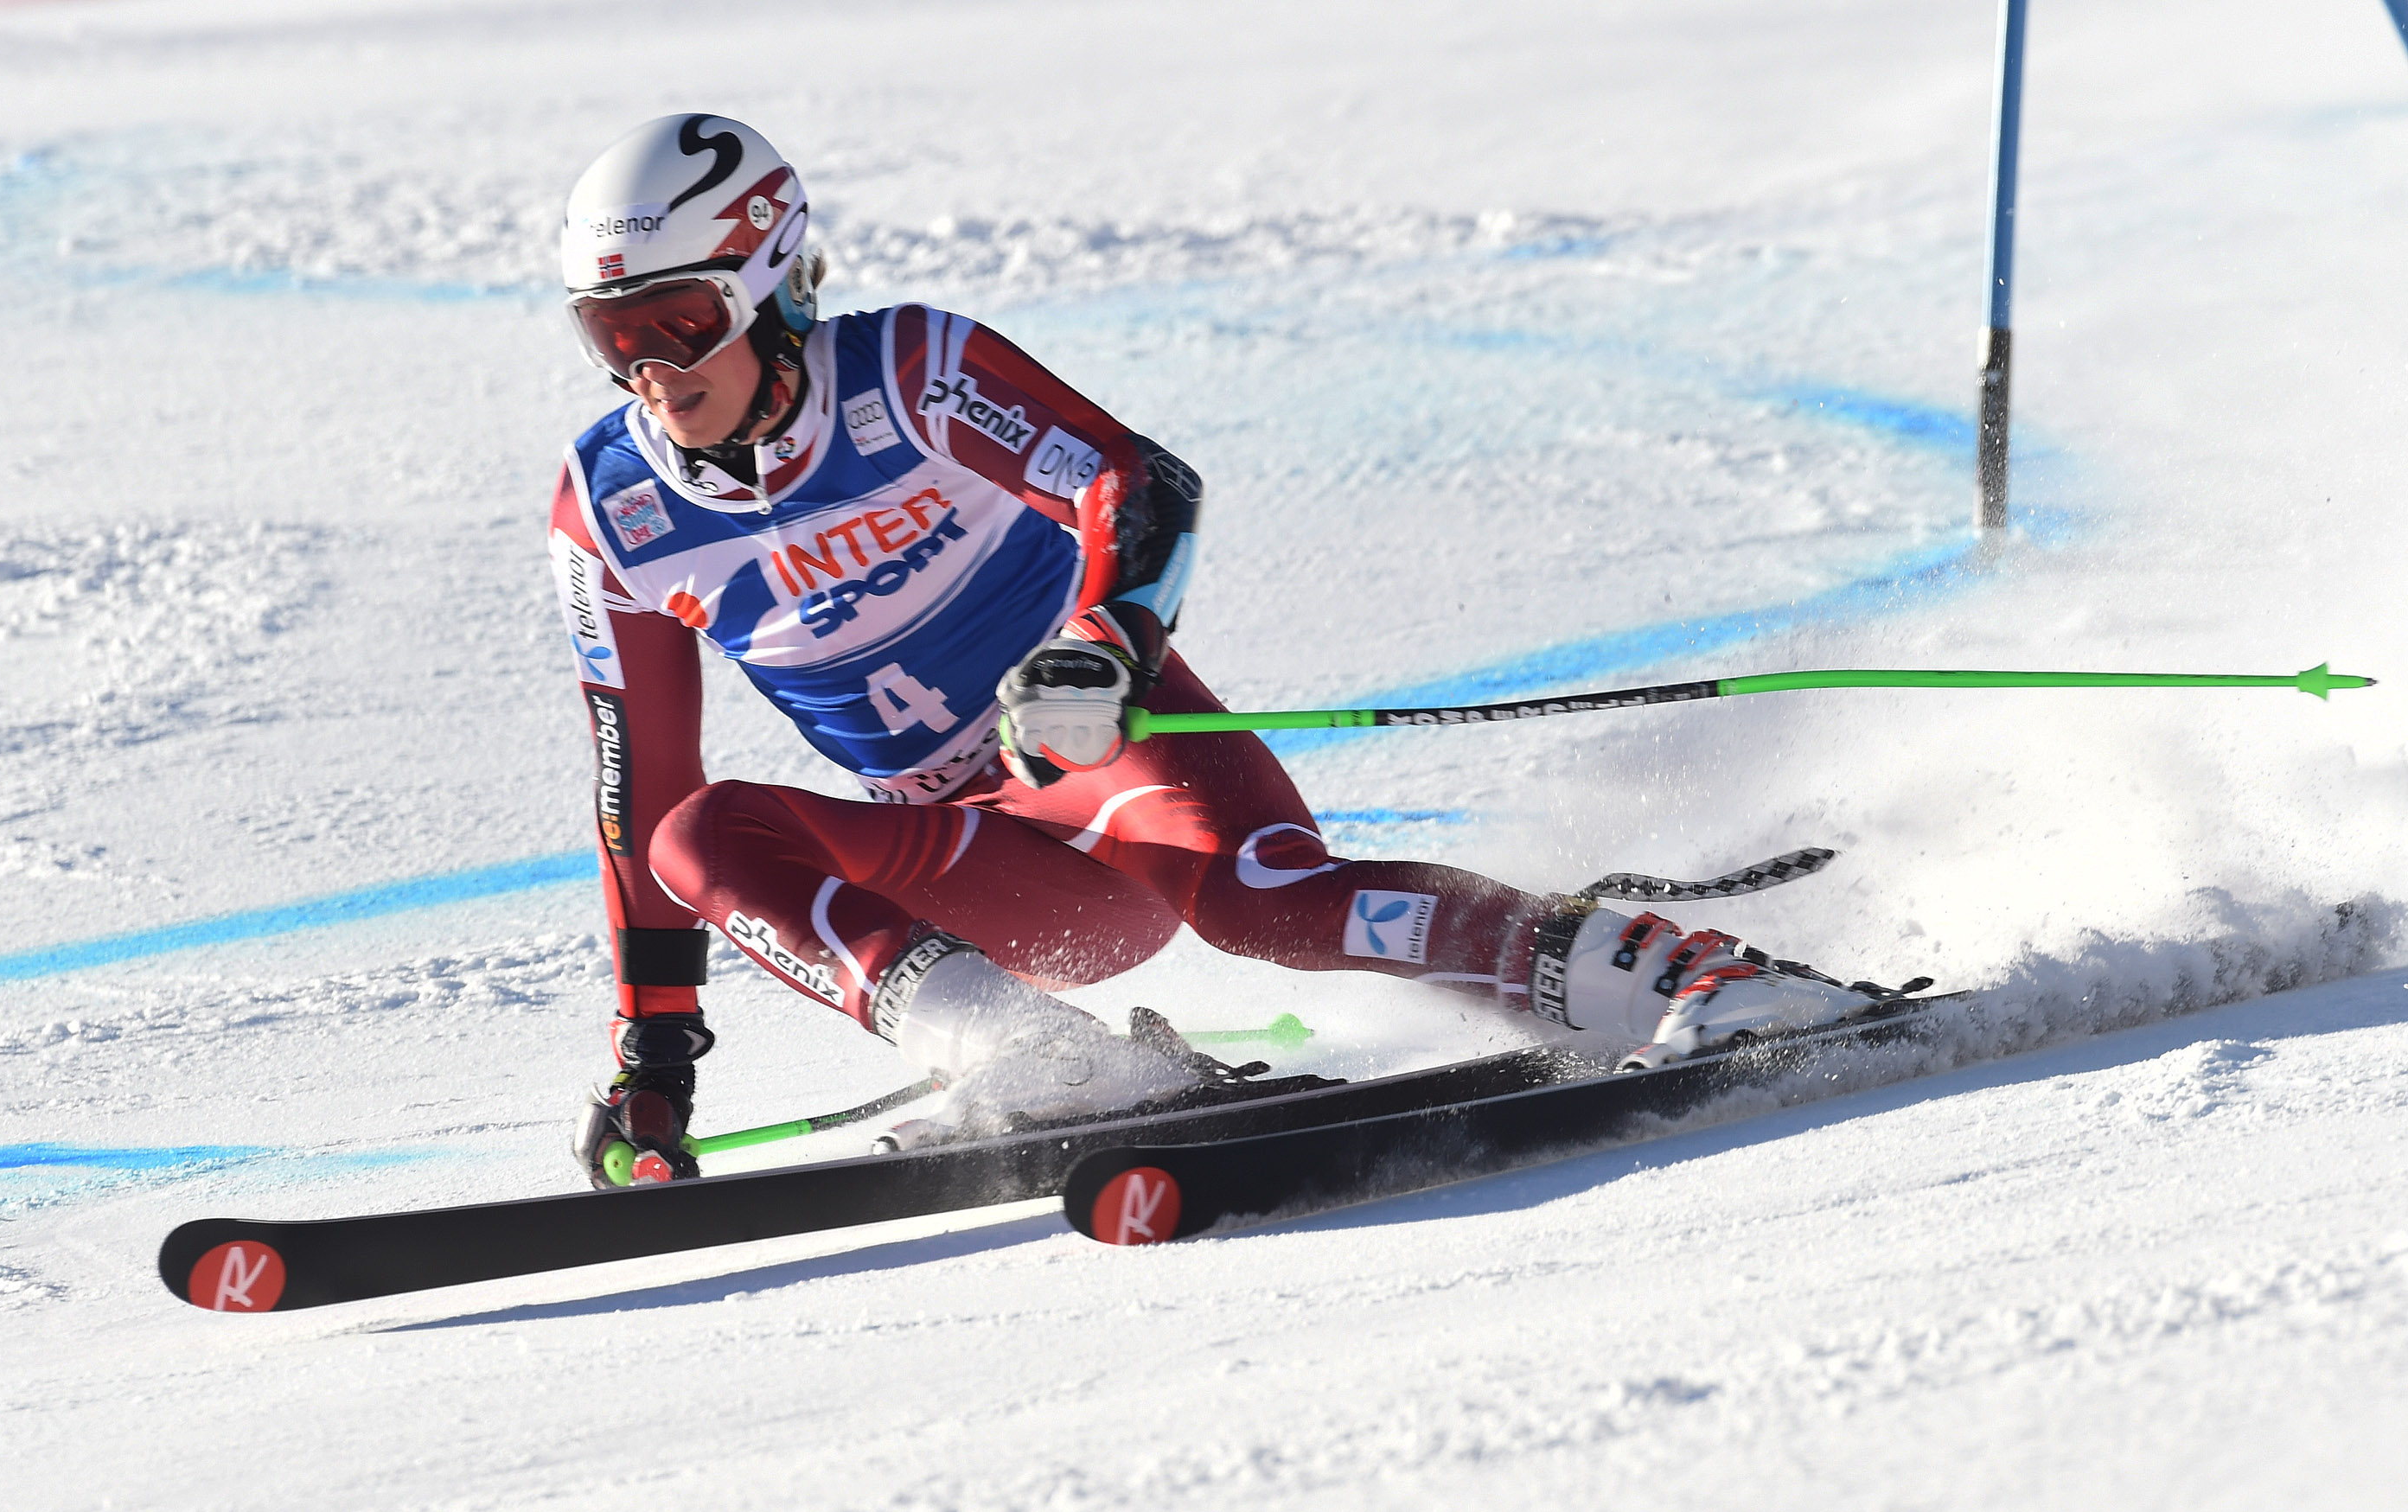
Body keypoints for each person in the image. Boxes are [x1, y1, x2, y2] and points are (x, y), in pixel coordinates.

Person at [548, 115, 1883, 1187]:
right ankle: (1022, 1054)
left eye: (682, 321)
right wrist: (655, 1055)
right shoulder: (608, 512)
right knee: (697, 833)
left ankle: (1692, 976)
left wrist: (1104, 645)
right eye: (616, 336)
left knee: (1270, 906)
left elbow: (1139, 483)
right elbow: (639, 794)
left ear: (773, 285)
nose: (654, 372)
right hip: (978, 862)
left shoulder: (906, 371)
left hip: (1096, 747)